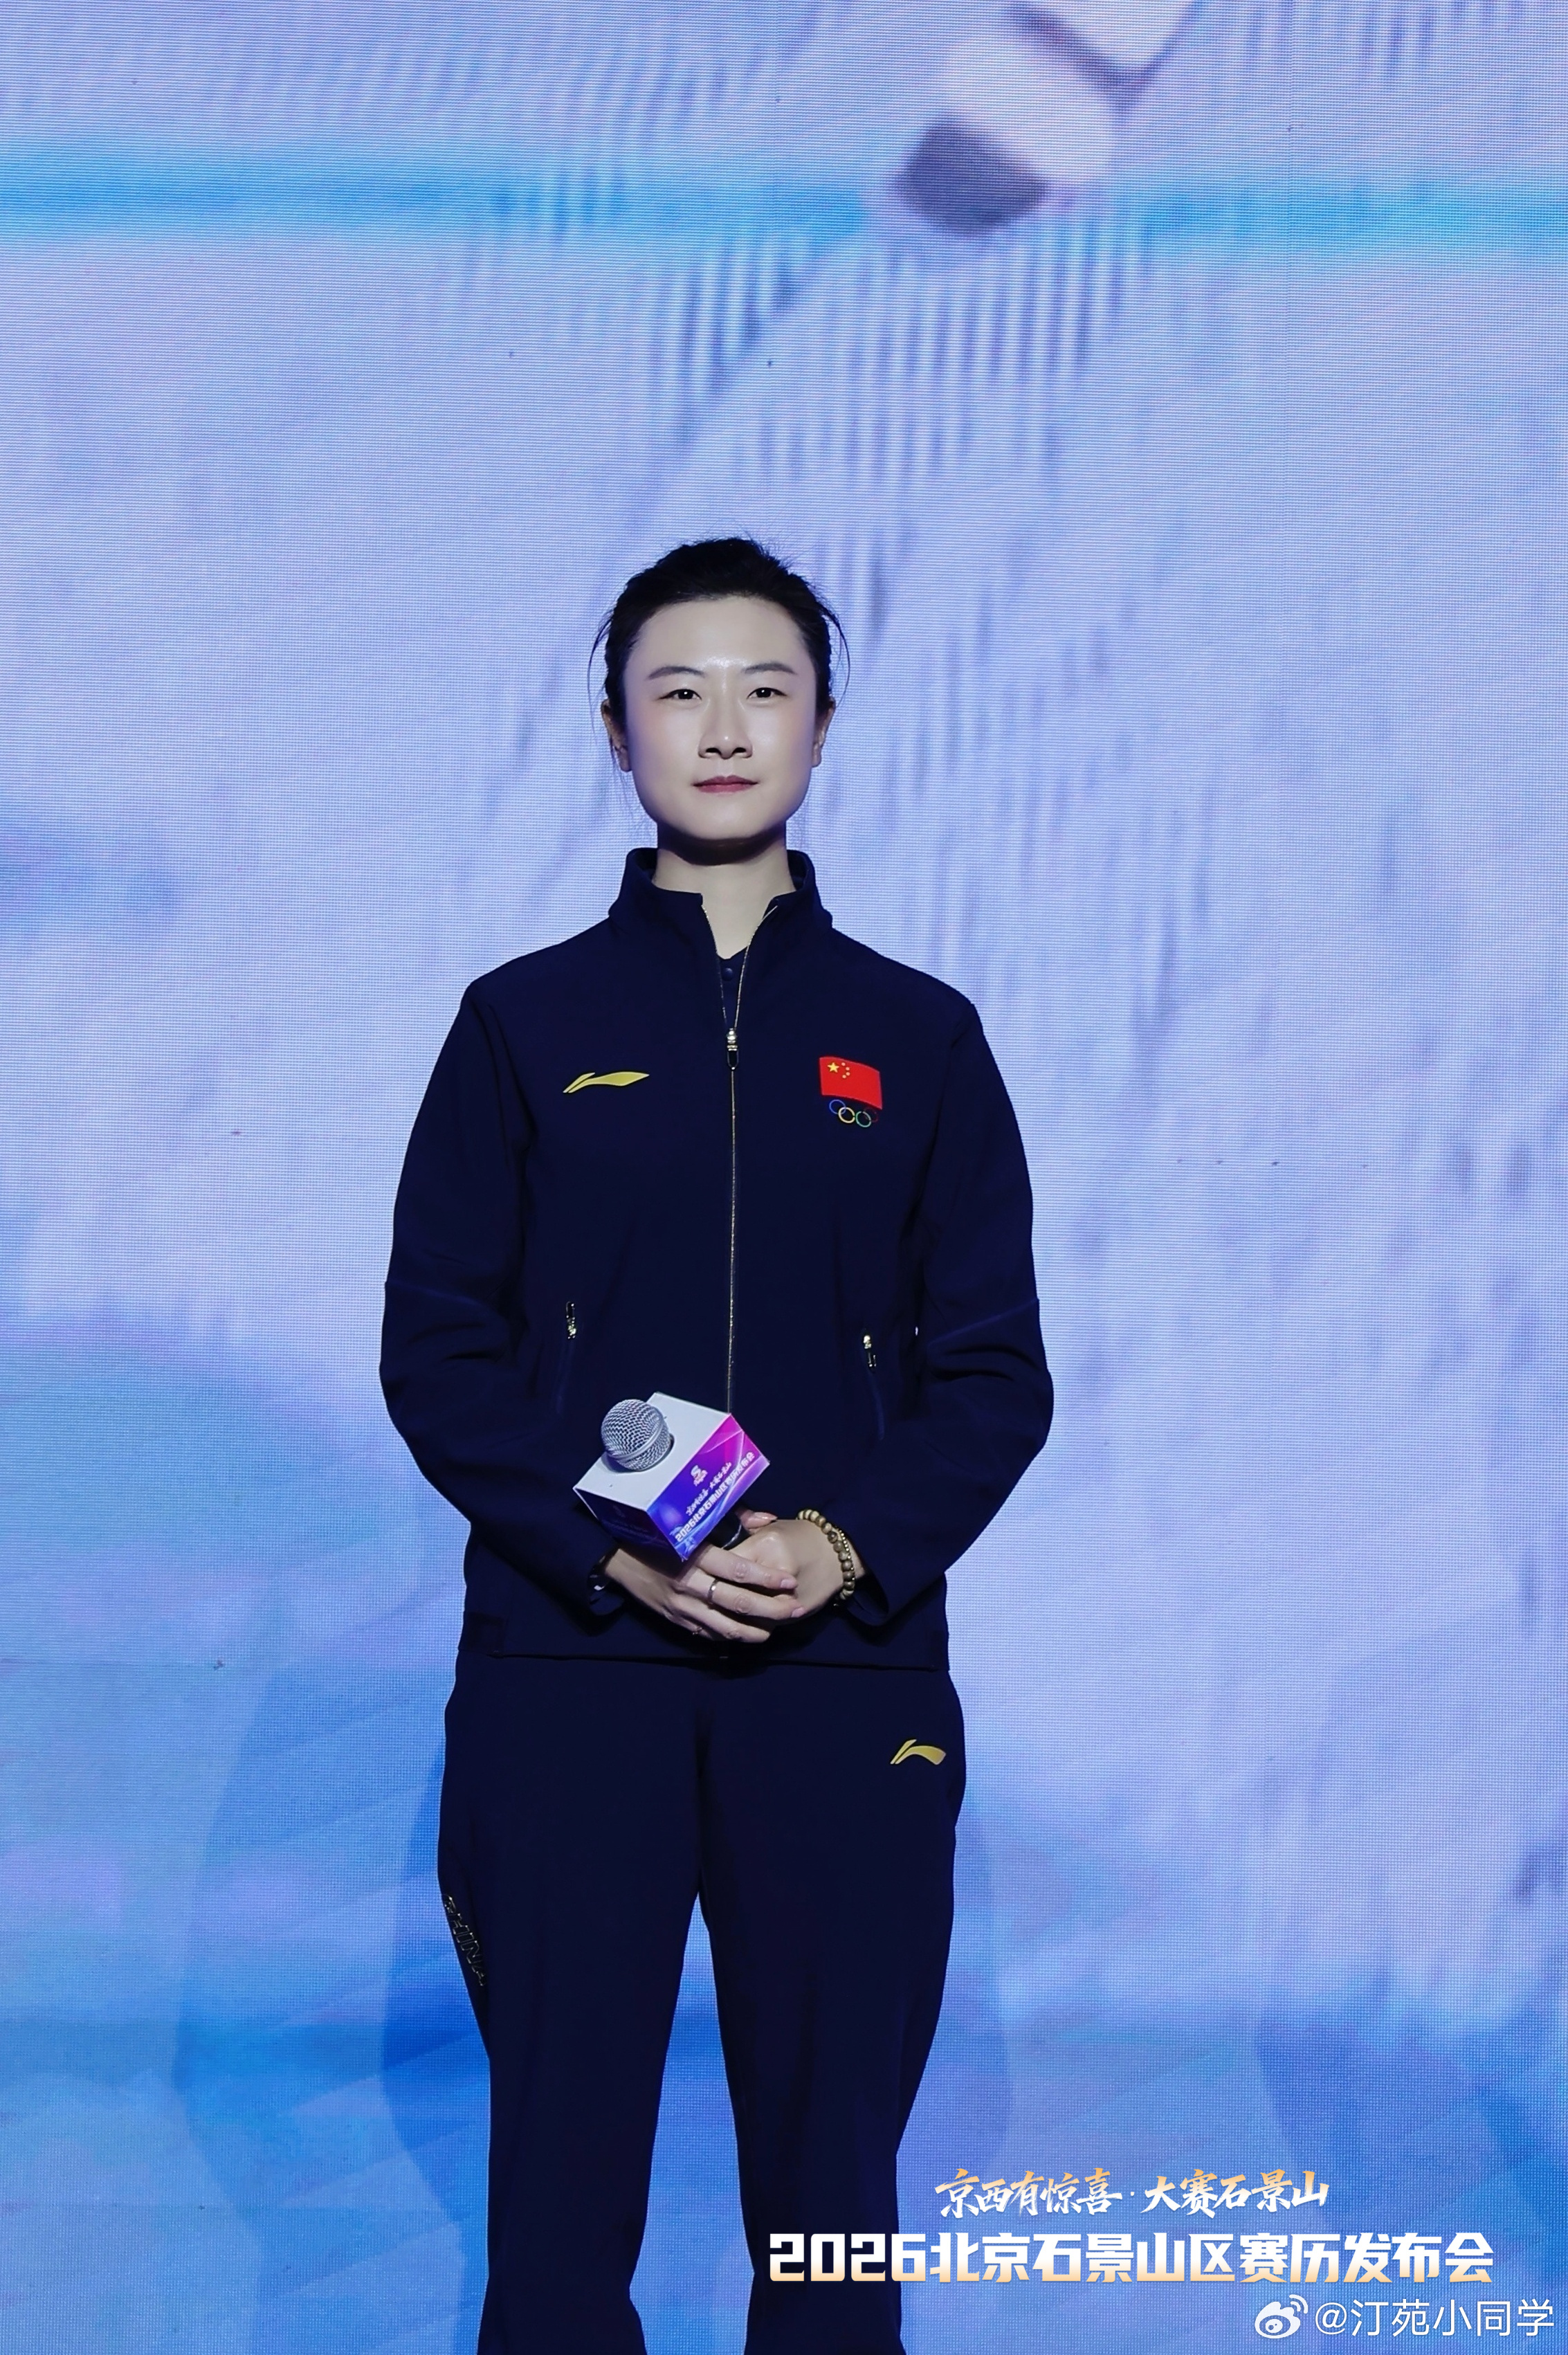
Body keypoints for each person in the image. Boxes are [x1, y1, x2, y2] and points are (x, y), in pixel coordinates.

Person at [380, 536, 1052, 2354]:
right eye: (677, 691)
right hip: (570, 1668)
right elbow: (438, 1348)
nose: (725, 727)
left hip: (841, 1679)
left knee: (832, 2228)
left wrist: (841, 1546)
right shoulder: (523, 1025)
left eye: (767, 687)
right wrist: (604, 1548)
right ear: (618, 730)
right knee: (555, 2218)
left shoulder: (920, 1039)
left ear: (822, 724)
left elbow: (995, 1374)